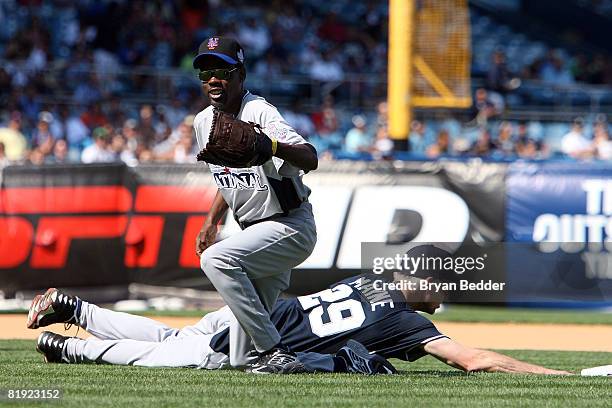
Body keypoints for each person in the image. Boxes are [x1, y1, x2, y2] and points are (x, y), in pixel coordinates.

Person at [27, 269, 573, 376]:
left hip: (257, 313)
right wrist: (553, 378)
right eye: (441, 289)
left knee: (179, 338)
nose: (443, 299)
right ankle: (68, 345)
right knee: (176, 354)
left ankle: (75, 310)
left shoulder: (370, 280)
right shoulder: (405, 318)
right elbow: (475, 360)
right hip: (263, 338)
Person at [191, 37, 318, 374]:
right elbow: (226, 177)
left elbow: (310, 157)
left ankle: (277, 350)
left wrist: (270, 144)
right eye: (205, 73)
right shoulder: (203, 122)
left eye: (221, 71)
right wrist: (211, 221)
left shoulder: (259, 112)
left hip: (289, 226)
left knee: (217, 259)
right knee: (238, 359)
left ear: (240, 74)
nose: (213, 79)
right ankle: (333, 361)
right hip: (255, 233)